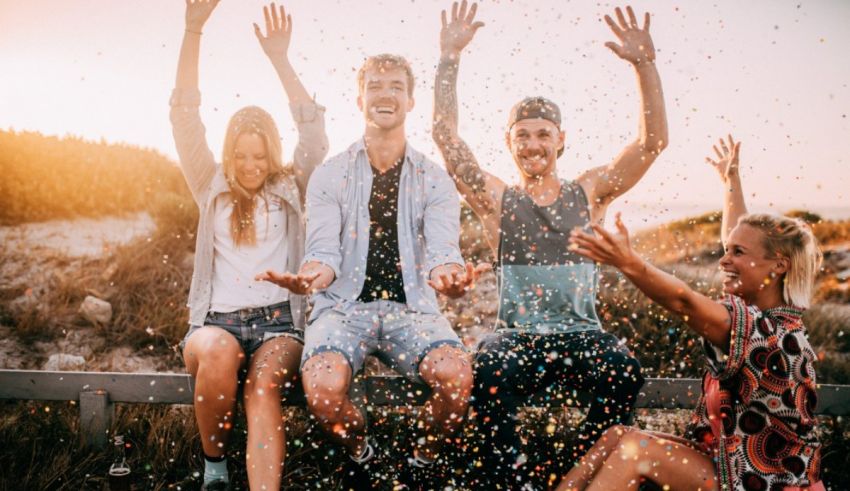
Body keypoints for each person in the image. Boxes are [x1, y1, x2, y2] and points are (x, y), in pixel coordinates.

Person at [431, 1, 668, 486]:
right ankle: (513, 478)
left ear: (561, 140)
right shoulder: (498, 201)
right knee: (489, 365)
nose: (533, 144)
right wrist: (449, 59)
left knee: (622, 369)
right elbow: (445, 137)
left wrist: (645, 65)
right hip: (518, 339)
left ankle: (580, 472)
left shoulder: (589, 192)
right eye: (523, 135)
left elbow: (651, 144)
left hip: (583, 335)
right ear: (509, 142)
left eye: (543, 134)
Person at [258, 53, 484, 489]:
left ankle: (420, 463)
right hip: (342, 310)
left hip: (414, 309)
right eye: (375, 86)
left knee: (457, 377)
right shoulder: (331, 174)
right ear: (359, 98)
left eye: (396, 86)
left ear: (411, 101)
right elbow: (324, 251)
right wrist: (309, 278)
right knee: (323, 391)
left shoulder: (435, 179)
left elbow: (442, 252)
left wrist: (449, 276)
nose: (386, 95)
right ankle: (366, 456)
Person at [560, 136, 824, 491]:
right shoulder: (759, 312)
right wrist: (731, 183)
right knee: (618, 434)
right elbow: (740, 238)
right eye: (726, 249)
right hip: (730, 462)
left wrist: (628, 262)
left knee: (636, 449)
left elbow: (683, 301)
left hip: (764, 482)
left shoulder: (766, 333)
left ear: (778, 266)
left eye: (737, 252)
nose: (724, 259)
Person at [170, 1, 328, 489]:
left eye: (260, 155)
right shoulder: (208, 182)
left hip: (279, 323)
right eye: (241, 155)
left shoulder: (290, 188)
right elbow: (184, 113)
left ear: (272, 153)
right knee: (218, 351)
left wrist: (280, 59)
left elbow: (313, 131)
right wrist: (193, 30)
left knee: (263, 386)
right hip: (215, 323)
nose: (251, 165)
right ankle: (214, 471)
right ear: (227, 153)